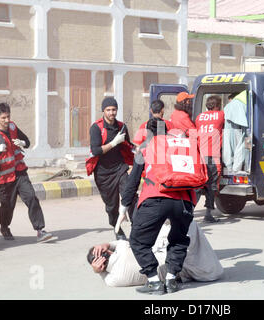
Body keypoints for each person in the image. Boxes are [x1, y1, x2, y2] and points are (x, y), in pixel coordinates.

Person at [119, 117, 197, 295]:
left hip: (156, 198)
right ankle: (171, 280)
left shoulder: (146, 148)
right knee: (178, 238)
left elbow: (132, 182)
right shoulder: (182, 145)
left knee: (138, 241)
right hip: (184, 200)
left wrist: (123, 207)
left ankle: (154, 281)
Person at [0, 102, 53, 242]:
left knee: (31, 197)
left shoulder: (13, 126)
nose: (7, 120)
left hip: (19, 172)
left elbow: (27, 141)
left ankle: (40, 230)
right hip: (4, 179)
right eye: (3, 118)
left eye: (8, 116)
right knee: (8, 206)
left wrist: (22, 143)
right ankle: (4, 227)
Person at [87, 221, 223, 287]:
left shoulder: (114, 280)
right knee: (188, 223)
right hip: (180, 261)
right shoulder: (122, 249)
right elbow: (117, 243)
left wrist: (97, 271)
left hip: (176, 269)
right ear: (107, 251)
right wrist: (104, 245)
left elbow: (105, 277)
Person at [89, 97, 137, 240]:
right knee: (111, 206)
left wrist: (137, 149)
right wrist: (114, 142)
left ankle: (137, 227)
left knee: (131, 195)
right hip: (103, 173)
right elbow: (96, 150)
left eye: (114, 109)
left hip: (120, 168)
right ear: (103, 111)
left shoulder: (122, 126)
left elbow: (127, 144)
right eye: (108, 110)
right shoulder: (96, 128)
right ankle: (117, 229)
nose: (111, 113)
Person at [195, 95, 225, 223]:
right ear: (217, 106)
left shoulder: (199, 117)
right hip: (213, 156)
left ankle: (188, 211)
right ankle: (208, 214)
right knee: (212, 185)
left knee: (197, 185)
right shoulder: (220, 115)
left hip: (200, 155)